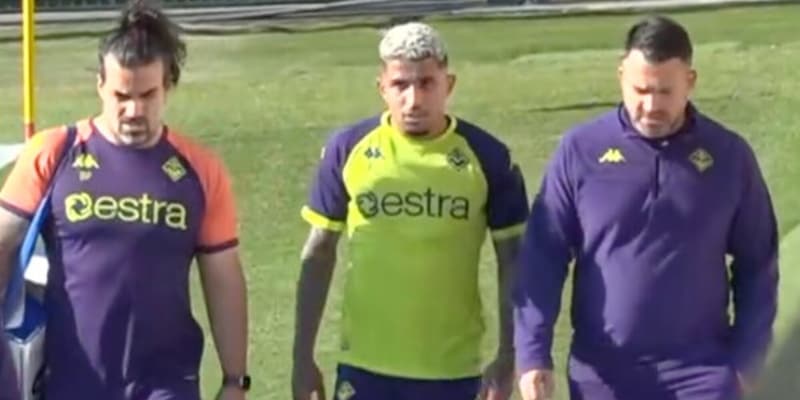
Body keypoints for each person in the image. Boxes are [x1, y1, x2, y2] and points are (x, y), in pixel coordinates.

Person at [513, 15, 779, 400]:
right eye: (641, 90)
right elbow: (543, 256)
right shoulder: (581, 150)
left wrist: (748, 360)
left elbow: (758, 264)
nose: (651, 105)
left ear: (690, 81)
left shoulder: (728, 156)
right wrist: (532, 354)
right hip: (603, 375)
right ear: (621, 75)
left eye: (665, 91)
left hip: (701, 375)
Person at [0, 1, 249, 399]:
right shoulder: (53, 153)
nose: (134, 110)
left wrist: (235, 380)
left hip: (166, 385)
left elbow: (223, 278)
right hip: (72, 382)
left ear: (168, 86)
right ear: (100, 84)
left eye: (147, 95)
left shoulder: (201, 170)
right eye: (121, 95)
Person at [292, 22, 529, 400]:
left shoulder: (488, 157)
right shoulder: (347, 149)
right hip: (364, 368)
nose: (414, 100)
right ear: (381, 87)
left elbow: (514, 261)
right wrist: (302, 357)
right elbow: (319, 252)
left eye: (426, 83)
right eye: (400, 85)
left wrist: (509, 354)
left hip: (452, 372)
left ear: (449, 84)